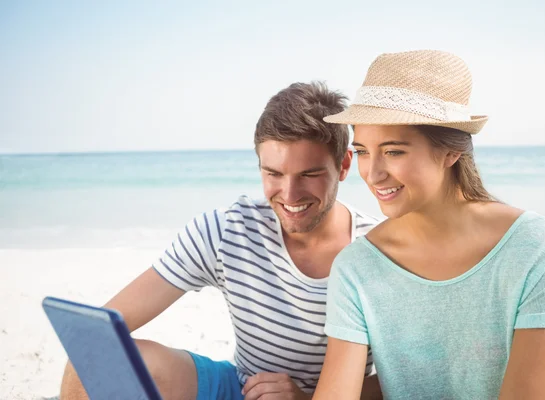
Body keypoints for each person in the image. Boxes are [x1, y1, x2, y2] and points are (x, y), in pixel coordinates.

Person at [60, 82, 383, 400]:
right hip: (242, 388)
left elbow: (404, 382)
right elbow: (99, 331)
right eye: (273, 173)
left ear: (343, 165)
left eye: (308, 175)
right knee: (97, 353)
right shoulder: (228, 230)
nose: (289, 194)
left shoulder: (379, 252)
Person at [312, 50, 545, 399]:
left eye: (394, 151)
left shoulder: (539, 251)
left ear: (450, 152)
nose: (373, 173)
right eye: (364, 151)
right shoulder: (356, 269)